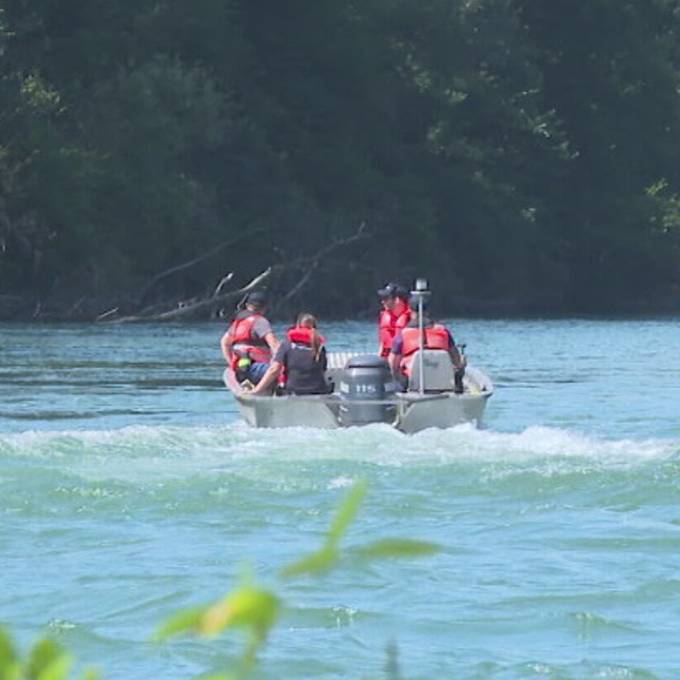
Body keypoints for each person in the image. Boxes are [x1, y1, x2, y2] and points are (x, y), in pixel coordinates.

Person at [388, 296, 466, 393]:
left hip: (413, 384)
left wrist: (398, 377)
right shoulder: (443, 331)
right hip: (443, 382)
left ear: (409, 311)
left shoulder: (403, 335)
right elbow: (457, 360)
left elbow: (392, 365)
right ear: (428, 311)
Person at [251, 312, 330, 396]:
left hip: (293, 392)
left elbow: (274, 370)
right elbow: (323, 370)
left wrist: (256, 390)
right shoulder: (320, 348)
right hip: (318, 391)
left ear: (297, 326)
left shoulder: (287, 345)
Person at [220, 290, 279, 385]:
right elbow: (274, 345)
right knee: (284, 371)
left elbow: (224, 342)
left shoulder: (237, 322)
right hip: (256, 368)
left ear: (247, 305)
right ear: (264, 308)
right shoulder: (261, 322)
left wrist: (231, 363)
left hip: (240, 369)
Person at [377, 282, 411, 357]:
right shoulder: (385, 316)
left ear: (397, 300)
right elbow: (383, 347)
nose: (382, 302)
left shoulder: (412, 318)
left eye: (386, 299)